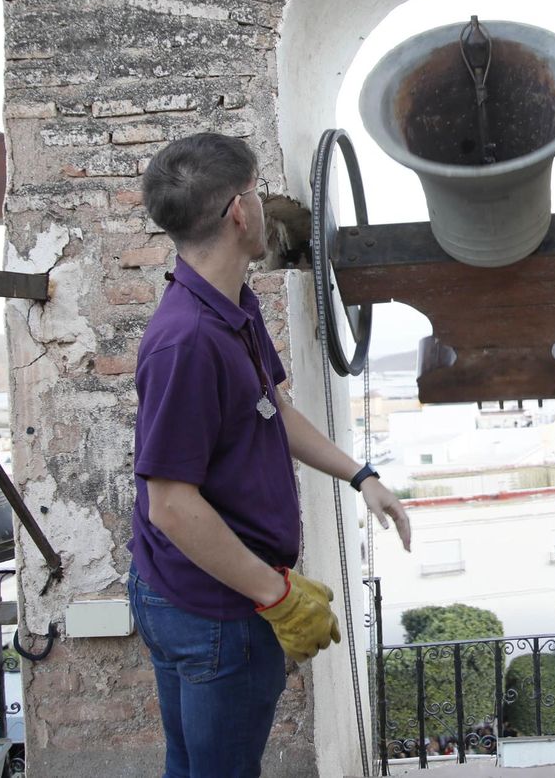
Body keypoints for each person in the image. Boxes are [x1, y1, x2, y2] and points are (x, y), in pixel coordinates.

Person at [126, 132, 413, 778]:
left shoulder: (231, 307)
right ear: (237, 211)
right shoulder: (187, 342)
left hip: (208, 599)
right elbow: (170, 504)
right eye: (257, 192)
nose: (264, 207)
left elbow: (273, 412)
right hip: (216, 612)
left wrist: (359, 474)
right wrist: (276, 596)